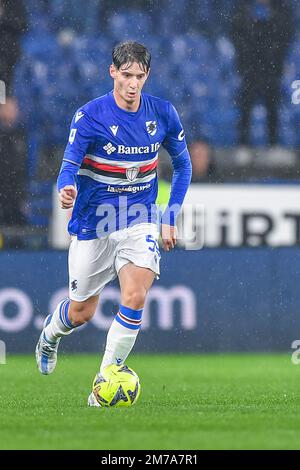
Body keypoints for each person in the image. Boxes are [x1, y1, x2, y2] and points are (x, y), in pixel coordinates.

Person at [35, 41, 192, 406]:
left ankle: (103, 383)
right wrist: (66, 187)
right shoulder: (90, 116)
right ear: (112, 73)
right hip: (94, 223)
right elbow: (69, 164)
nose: (133, 84)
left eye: (139, 76)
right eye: (126, 75)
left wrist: (170, 215)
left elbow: (183, 165)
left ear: (147, 75)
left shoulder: (163, 113)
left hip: (139, 218)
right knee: (81, 311)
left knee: (136, 295)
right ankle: (50, 335)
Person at [231, 0, 294, 146]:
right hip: (249, 69)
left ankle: (273, 145)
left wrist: (272, 53)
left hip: (272, 69)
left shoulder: (282, 10)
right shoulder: (242, 9)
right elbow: (236, 35)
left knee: (273, 107)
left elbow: (286, 36)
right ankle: (243, 145)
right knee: (245, 107)